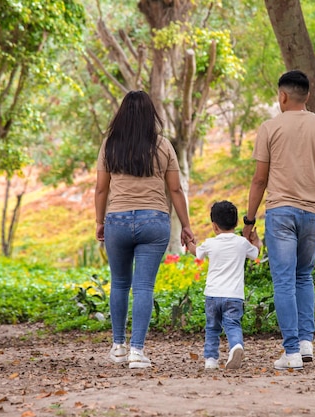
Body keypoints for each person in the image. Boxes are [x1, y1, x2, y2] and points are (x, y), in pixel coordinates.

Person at [242, 70, 315, 371]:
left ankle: (291, 352)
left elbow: (259, 180)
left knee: (285, 280)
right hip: (313, 214)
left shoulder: (269, 128)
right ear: (308, 96)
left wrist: (248, 223)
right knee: (304, 276)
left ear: (282, 96)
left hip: (280, 214)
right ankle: (305, 343)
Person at [94, 90, 194, 369]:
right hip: (154, 221)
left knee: (120, 283)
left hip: (118, 221)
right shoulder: (162, 146)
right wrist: (186, 226)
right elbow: (175, 189)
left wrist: (100, 221)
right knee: (144, 286)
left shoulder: (110, 145)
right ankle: (137, 351)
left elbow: (101, 189)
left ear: (122, 115)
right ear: (151, 115)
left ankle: (117, 347)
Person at [186, 200, 262, 370]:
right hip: (234, 296)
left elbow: (196, 253)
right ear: (236, 223)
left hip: (212, 294)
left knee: (212, 328)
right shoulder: (242, 243)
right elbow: (256, 253)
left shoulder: (210, 243)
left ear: (214, 226)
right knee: (232, 324)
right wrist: (255, 240)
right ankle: (236, 346)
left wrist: (189, 241)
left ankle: (211, 360)